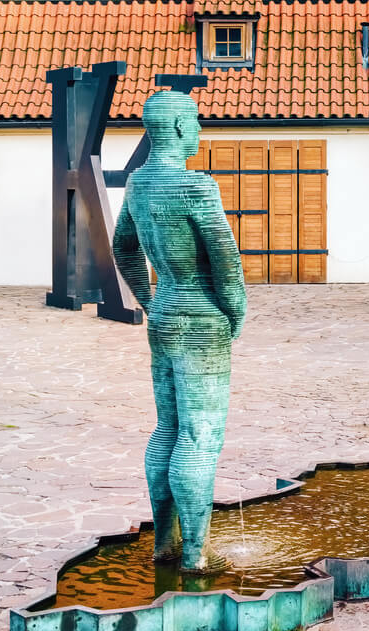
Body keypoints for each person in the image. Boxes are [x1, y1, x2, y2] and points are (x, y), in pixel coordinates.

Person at [113, 91, 246, 573]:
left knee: (167, 428)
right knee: (198, 435)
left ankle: (162, 545)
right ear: (172, 128)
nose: (198, 131)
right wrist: (235, 311)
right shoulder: (196, 188)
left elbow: (123, 249)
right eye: (193, 122)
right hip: (200, 316)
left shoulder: (137, 183)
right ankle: (195, 554)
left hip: (166, 311)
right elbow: (226, 260)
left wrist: (150, 301)